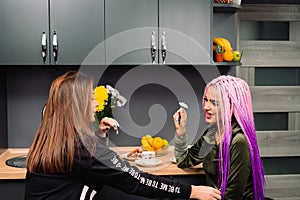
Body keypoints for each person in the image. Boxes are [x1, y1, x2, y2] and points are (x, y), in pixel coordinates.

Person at [25, 71, 221, 200]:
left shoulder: (49, 138)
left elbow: (83, 165)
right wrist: (191, 191)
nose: (97, 104)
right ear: (77, 105)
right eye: (92, 98)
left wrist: (99, 136)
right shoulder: (83, 149)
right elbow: (136, 180)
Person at [173, 75, 265, 200]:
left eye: (214, 103)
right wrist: (181, 131)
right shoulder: (212, 133)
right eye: (206, 100)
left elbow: (231, 196)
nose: (205, 107)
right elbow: (184, 160)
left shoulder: (239, 141)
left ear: (231, 106)